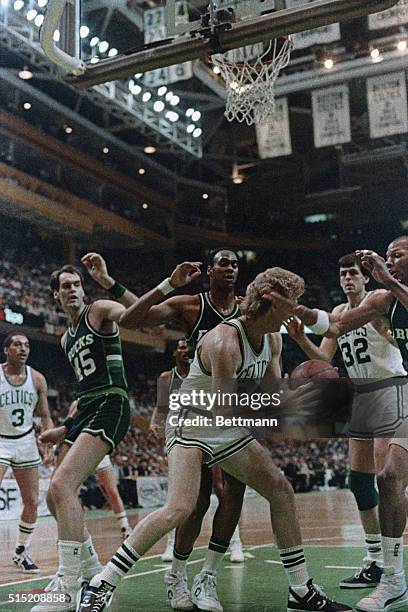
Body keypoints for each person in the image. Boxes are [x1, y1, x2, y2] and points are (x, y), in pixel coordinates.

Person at [77, 266, 353, 612]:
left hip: (226, 420)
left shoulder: (274, 338)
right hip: (191, 421)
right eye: (293, 301)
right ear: (271, 302)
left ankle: (300, 590)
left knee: (280, 489)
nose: (297, 307)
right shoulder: (225, 342)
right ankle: (102, 583)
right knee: (179, 508)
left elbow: (270, 394)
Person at [94, 249, 246, 611]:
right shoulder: (191, 305)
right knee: (193, 504)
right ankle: (176, 575)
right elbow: (132, 320)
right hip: (195, 408)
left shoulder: (246, 307)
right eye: (223, 262)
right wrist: (168, 284)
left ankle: (208, 576)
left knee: (233, 491)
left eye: (235, 264)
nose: (229, 268)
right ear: (209, 271)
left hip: (232, 405)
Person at [263, 237, 408, 612]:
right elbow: (332, 339)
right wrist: (300, 321)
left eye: (397, 255)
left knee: (389, 476)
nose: (347, 279)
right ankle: (382, 565)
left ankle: (388, 566)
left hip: (391, 386)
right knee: (372, 479)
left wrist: (387, 281)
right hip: (361, 392)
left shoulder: (385, 297)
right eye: (342, 274)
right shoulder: (371, 303)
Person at [31, 253, 137, 612]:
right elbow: (84, 392)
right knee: (53, 498)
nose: (73, 290)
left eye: (77, 284)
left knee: (62, 486)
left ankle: (69, 582)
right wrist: (62, 430)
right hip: (90, 407)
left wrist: (107, 281)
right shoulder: (65, 339)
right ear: (56, 296)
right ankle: (91, 567)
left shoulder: (100, 310)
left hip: (113, 402)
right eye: (66, 286)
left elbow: (141, 314)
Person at [0, 332, 53, 573]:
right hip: (1, 440)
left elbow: (46, 416)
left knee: (32, 501)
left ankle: (21, 551)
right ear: (6, 350)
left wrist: (48, 442)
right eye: (17, 344)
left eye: (26, 345)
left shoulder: (38, 379)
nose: (23, 349)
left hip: (25, 443)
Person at [69, 400, 132, 540]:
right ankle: (75, 530)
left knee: (112, 491)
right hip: (81, 452)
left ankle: (125, 526)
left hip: (98, 450)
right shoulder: (76, 405)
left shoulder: (103, 399)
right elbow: (70, 427)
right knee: (74, 493)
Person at [150, 339, 189, 562]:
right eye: (182, 348)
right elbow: (161, 407)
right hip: (178, 437)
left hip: (204, 432)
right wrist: (155, 422)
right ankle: (171, 544)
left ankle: (235, 543)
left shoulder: (201, 374)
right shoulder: (167, 378)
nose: (186, 352)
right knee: (176, 494)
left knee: (223, 489)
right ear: (175, 353)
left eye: (189, 348)